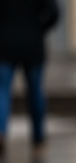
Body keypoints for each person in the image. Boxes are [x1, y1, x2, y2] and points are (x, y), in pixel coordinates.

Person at [0, 0, 59, 154]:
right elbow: (54, 13)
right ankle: (38, 139)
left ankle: (1, 132)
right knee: (35, 92)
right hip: (33, 44)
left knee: (2, 91)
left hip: (5, 44)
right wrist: (38, 29)